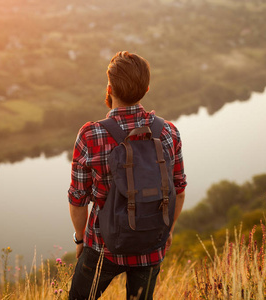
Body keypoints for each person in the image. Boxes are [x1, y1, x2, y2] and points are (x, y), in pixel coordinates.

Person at [68, 51, 186, 300]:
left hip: (102, 246)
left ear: (109, 89)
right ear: (147, 88)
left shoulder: (91, 134)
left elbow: (78, 199)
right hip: (152, 243)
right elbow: (178, 188)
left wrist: (80, 240)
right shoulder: (168, 132)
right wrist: (168, 230)